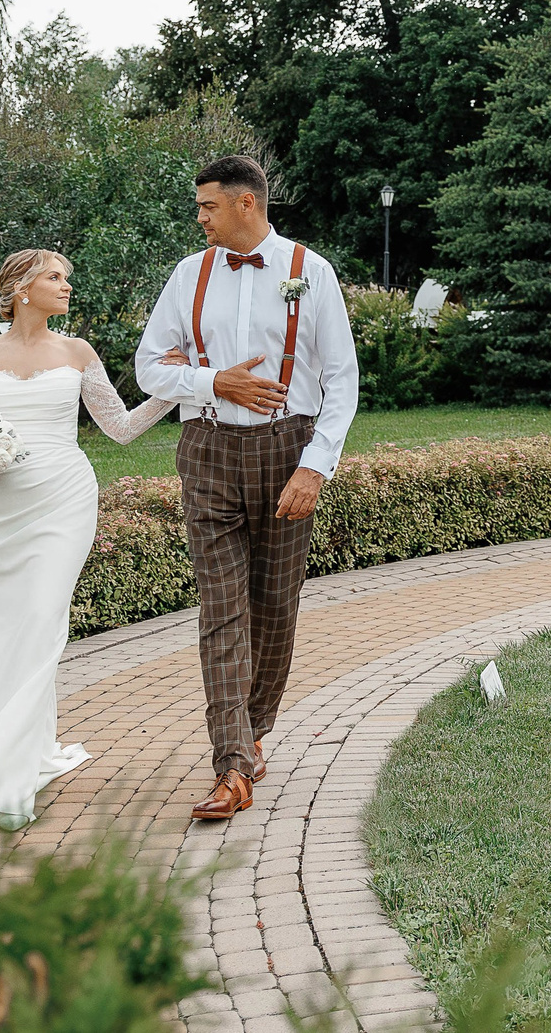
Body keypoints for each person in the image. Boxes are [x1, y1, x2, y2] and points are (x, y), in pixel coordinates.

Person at [135, 154, 359, 822]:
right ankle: (232, 764)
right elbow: (150, 365)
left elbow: (342, 379)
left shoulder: (309, 272)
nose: (199, 217)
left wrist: (316, 465)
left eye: (207, 205)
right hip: (207, 450)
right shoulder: (188, 275)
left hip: (287, 449)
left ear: (245, 204)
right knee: (221, 612)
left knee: (274, 607)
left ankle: (255, 726)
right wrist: (211, 382)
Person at [0, 249, 176, 829]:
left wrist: (175, 391)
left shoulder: (77, 352)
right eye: (56, 277)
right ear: (21, 287)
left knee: (44, 621)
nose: (67, 286)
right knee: (7, 626)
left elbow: (119, 429)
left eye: (66, 278)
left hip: (63, 499)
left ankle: (11, 776)